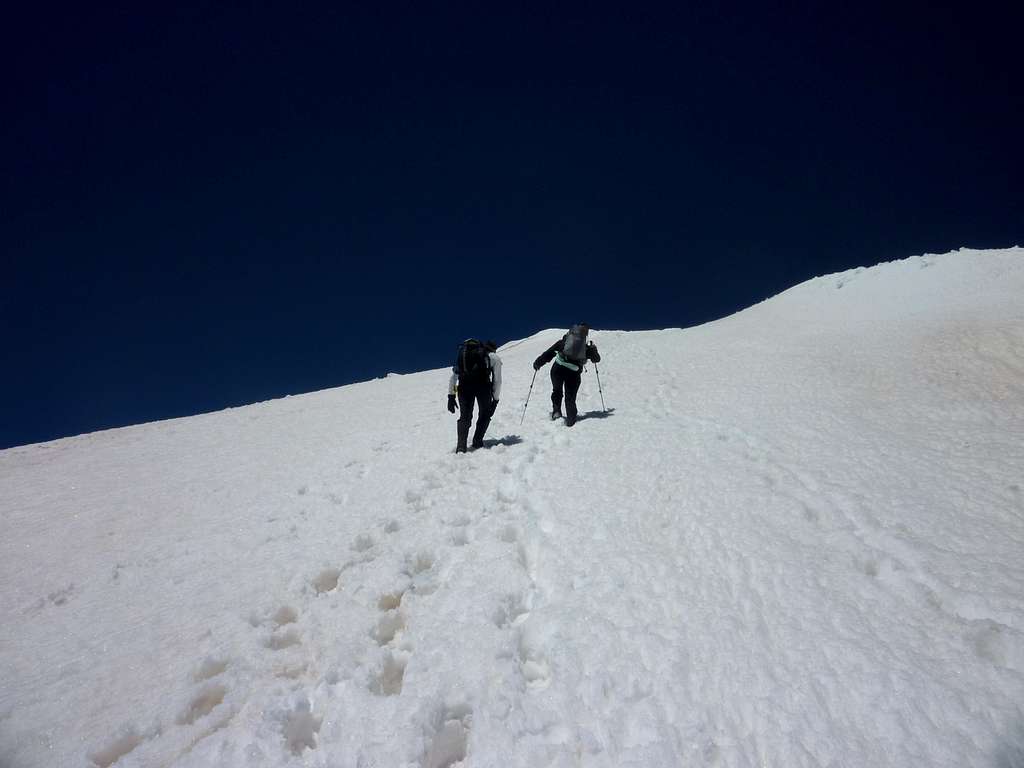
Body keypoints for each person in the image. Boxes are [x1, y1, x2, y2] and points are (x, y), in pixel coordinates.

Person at [533, 323, 600, 426]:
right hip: (574, 373)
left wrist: (538, 363)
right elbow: (596, 359)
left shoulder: (564, 341)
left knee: (557, 391)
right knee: (570, 397)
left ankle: (556, 412)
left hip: (557, 369)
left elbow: (550, 353)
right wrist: (593, 349)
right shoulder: (586, 348)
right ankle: (571, 419)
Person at [447, 339, 502, 452]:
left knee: (465, 416)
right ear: (494, 349)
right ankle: (477, 441)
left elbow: (454, 377)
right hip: (483, 387)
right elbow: (498, 381)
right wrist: (495, 400)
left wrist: (451, 396)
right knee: (485, 414)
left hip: (464, 387)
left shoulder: (464, 355)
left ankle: (461, 446)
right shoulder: (494, 358)